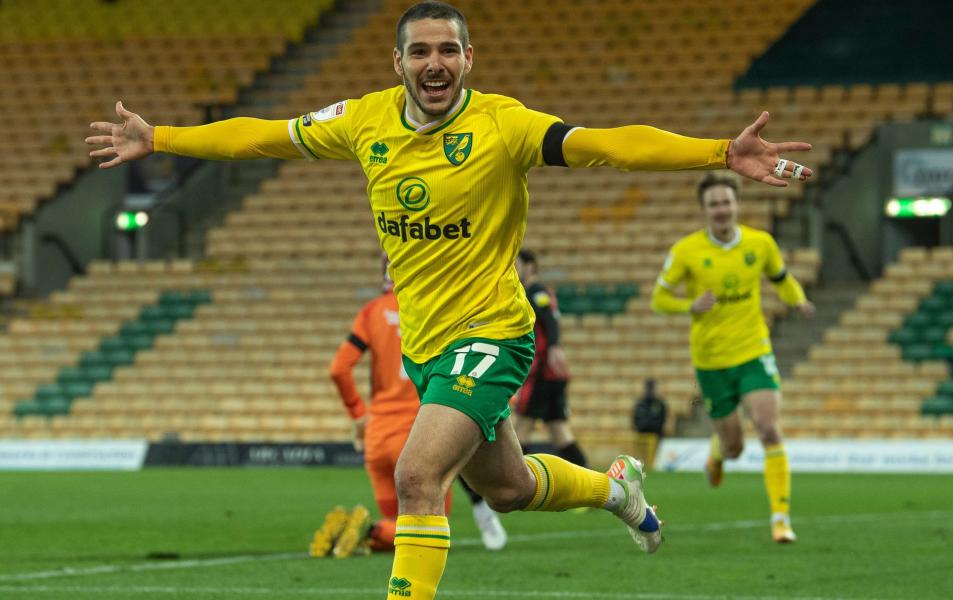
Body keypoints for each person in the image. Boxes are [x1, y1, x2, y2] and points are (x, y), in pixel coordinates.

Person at [86, 2, 812, 596]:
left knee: (416, 475)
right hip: (430, 346)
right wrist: (163, 136)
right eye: (421, 51)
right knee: (509, 489)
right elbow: (263, 138)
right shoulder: (365, 120)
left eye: (448, 50)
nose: (435, 63)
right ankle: (614, 488)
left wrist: (719, 152)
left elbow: (609, 145)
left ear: (469, 60)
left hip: (494, 331)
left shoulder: (502, 125)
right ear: (397, 63)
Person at [651, 172, 815, 544]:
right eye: (714, 204)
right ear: (704, 210)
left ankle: (780, 519)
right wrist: (688, 305)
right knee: (735, 447)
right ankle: (718, 452)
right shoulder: (685, 252)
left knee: (768, 427)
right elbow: (658, 300)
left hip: (754, 350)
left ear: (736, 204)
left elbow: (781, 277)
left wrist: (798, 299)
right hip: (710, 361)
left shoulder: (761, 243)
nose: (721, 210)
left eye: (726, 202)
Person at [323, 257, 507, 556]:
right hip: (420, 430)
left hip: (377, 435)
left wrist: (358, 414)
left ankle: (371, 531)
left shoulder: (371, 312)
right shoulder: (432, 309)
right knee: (430, 523)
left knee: (398, 526)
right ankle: (367, 530)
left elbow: (339, 368)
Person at [513, 249, 588, 467]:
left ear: (530, 267)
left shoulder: (536, 292)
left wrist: (554, 347)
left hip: (541, 372)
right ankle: (595, 485)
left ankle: (518, 488)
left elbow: (550, 319)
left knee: (520, 430)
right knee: (560, 433)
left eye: (517, 265)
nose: (513, 270)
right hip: (552, 375)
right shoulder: (539, 292)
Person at [632, 379, 667, 467]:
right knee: (641, 460)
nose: (649, 391)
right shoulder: (640, 404)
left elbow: (662, 420)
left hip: (656, 437)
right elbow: (635, 420)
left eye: (651, 389)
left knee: (655, 462)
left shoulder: (659, 404)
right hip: (641, 437)